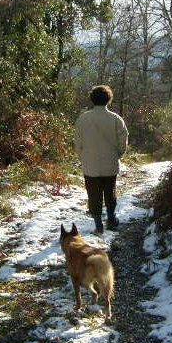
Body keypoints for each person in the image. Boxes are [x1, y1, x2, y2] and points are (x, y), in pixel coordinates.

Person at [74, 84, 129, 233]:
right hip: (110, 163)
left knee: (93, 195)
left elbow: (78, 143)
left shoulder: (83, 119)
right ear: (108, 99)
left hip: (90, 164)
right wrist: (117, 155)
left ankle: (98, 224)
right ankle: (111, 219)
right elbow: (123, 141)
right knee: (110, 193)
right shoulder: (116, 119)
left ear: (92, 99)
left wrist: (84, 157)